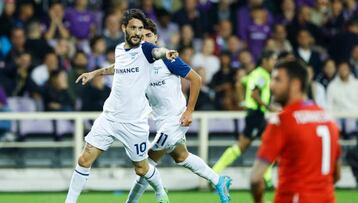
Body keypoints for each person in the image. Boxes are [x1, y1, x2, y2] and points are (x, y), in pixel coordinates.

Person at [82, 18, 232, 203]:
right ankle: (219, 180)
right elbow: (117, 68)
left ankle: (149, 197)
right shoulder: (139, 60)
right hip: (161, 120)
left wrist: (189, 111)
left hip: (176, 119)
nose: (143, 38)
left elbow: (196, 79)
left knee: (146, 163)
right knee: (181, 157)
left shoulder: (168, 60)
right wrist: (94, 73)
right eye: (141, 35)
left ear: (156, 37)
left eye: (148, 35)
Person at [65, 9, 178, 203]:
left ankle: (160, 190)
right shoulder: (120, 49)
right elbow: (118, 67)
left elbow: (157, 52)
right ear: (124, 28)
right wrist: (94, 73)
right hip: (109, 117)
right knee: (84, 159)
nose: (137, 32)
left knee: (141, 168)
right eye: (133, 27)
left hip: (134, 122)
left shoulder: (146, 50)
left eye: (141, 29)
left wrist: (166, 53)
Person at [250, 59, 341, 203]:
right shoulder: (328, 119)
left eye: (278, 80)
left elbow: (255, 179)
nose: (271, 85)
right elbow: (336, 175)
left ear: (295, 84)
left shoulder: (283, 121)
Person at [212, 50, 278, 179]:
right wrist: (269, 107)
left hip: (256, 114)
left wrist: (242, 101)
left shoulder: (255, 73)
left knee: (271, 143)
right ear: (265, 61)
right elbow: (254, 94)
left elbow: (239, 83)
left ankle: (267, 179)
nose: (274, 63)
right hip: (256, 115)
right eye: (273, 60)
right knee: (241, 146)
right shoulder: (262, 75)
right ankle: (214, 173)